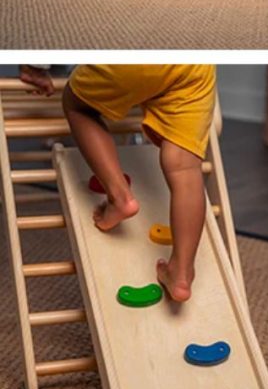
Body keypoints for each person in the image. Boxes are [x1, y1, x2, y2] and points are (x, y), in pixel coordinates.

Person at [19, 64, 215, 303]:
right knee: (185, 168)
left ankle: (120, 197)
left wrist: (33, 67)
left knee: (77, 106)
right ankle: (181, 274)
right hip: (196, 67)